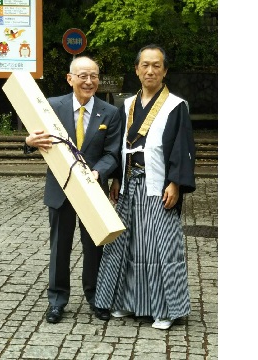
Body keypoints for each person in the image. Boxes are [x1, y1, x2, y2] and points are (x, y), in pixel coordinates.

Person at [94, 44, 196, 330]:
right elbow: (117, 146)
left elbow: (182, 147)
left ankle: (165, 309)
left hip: (158, 185)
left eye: (157, 65)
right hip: (128, 184)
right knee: (125, 246)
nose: (150, 70)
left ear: (164, 71)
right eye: (145, 65)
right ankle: (128, 303)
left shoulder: (176, 106)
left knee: (158, 247)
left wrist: (175, 183)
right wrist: (116, 178)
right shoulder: (125, 105)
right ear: (137, 70)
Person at [24, 56, 122, 324]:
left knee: (94, 247)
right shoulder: (52, 107)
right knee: (59, 246)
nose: (89, 81)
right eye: (83, 76)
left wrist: (98, 172)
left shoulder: (110, 113)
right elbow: (35, 139)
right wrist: (28, 141)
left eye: (93, 76)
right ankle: (57, 301)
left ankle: (96, 298)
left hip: (92, 190)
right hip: (60, 189)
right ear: (70, 79)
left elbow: (113, 153)